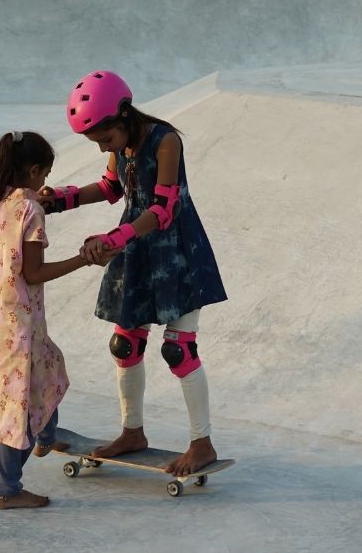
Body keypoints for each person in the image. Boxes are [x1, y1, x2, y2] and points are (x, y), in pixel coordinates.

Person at [40, 70, 227, 477]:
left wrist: (115, 238)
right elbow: (111, 188)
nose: (104, 148)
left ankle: (202, 442)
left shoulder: (166, 141)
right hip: (136, 250)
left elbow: (162, 210)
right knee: (125, 345)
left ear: (124, 115)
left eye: (105, 140)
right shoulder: (121, 144)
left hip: (177, 252)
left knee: (179, 349)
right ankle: (132, 432)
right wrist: (60, 200)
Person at [0, 132, 113, 510]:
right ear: (33, 170)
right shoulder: (29, 213)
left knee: (50, 370)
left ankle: (47, 434)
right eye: (44, 174)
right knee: (18, 404)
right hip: (22, 322)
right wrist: (84, 260)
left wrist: (39, 195)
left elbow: (14, 215)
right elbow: (33, 274)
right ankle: (8, 489)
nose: (45, 181)